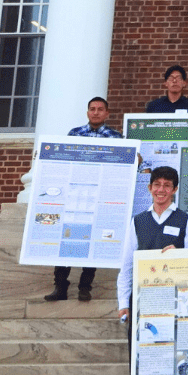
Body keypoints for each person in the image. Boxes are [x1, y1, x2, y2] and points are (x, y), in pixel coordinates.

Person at [117, 166, 187, 375]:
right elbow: (126, 265)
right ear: (149, 188)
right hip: (142, 304)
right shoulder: (138, 221)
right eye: (156, 184)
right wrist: (124, 304)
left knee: (170, 362)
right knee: (142, 365)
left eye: (167, 185)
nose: (161, 190)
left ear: (174, 189)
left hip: (171, 303)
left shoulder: (185, 220)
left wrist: (180, 254)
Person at [45, 96, 121, 303]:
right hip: (75, 197)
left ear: (107, 113)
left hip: (99, 198)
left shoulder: (117, 138)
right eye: (92, 109)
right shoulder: (74, 134)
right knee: (67, 241)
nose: (95, 112)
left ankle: (85, 287)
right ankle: (60, 286)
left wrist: (136, 159)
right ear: (87, 112)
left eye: (100, 109)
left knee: (91, 244)